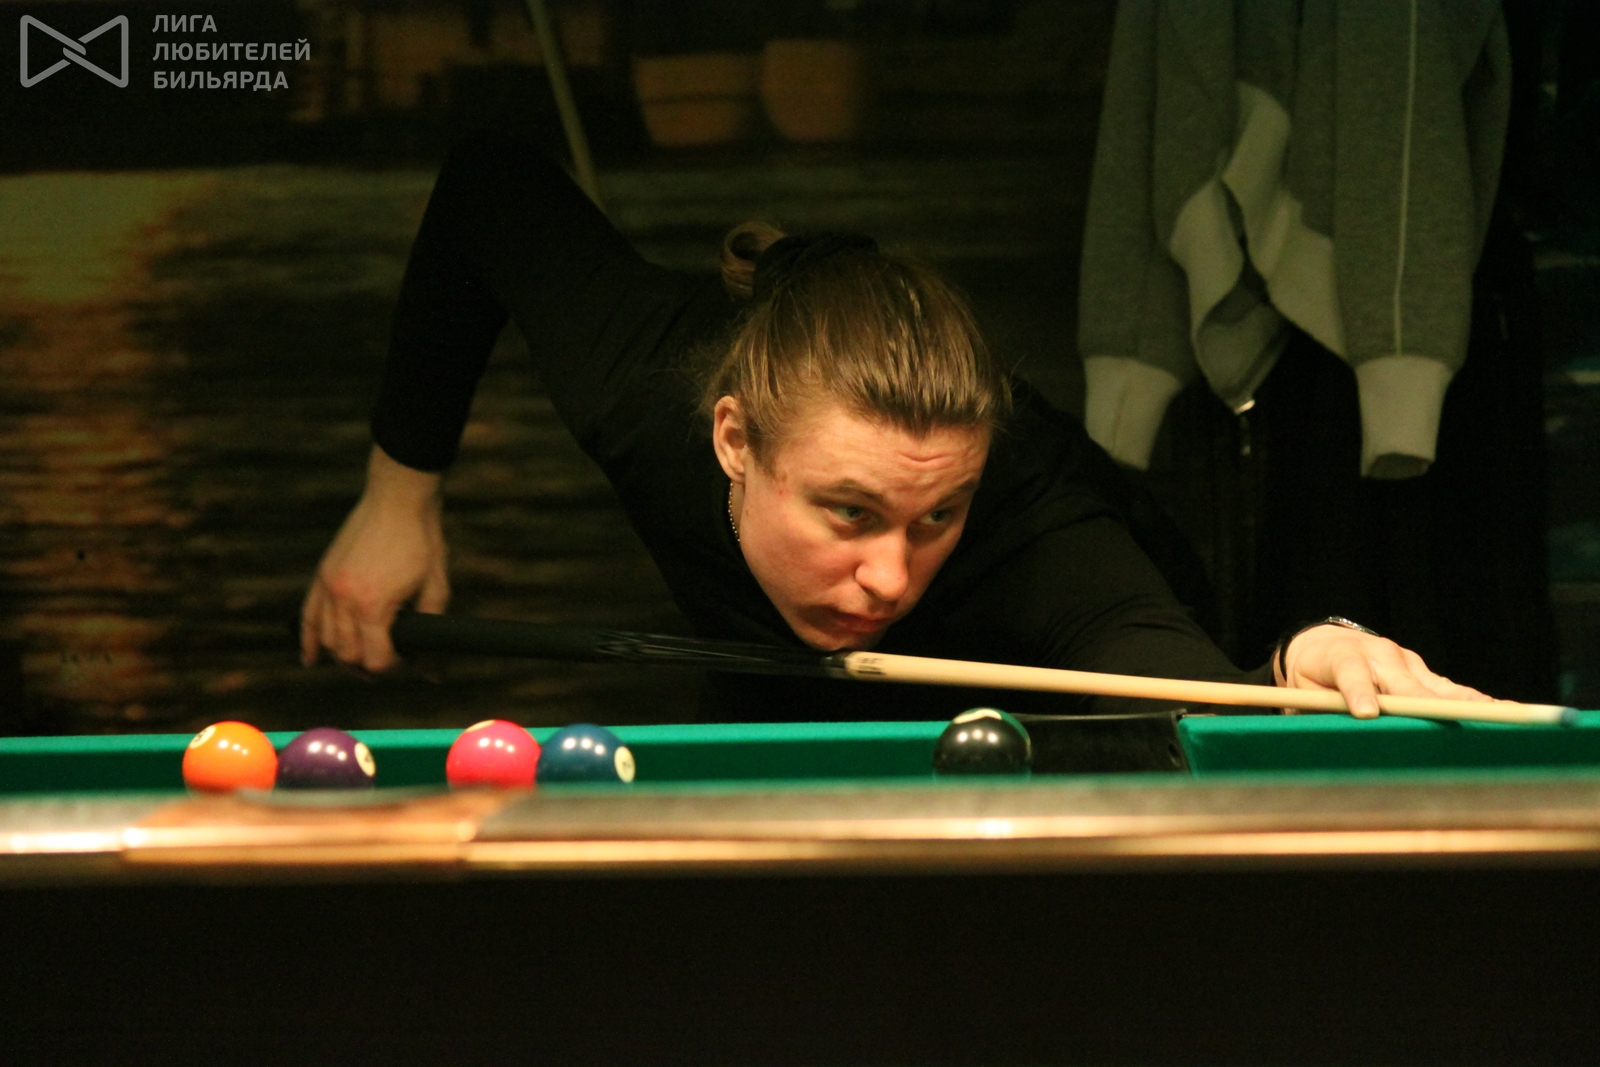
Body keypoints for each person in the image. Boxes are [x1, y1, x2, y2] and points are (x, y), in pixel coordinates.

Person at [299, 139, 1491, 723]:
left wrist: (1305, 655)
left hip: (1038, 707)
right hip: (762, 671)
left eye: (933, 517)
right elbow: (490, 189)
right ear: (732, 440)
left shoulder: (1032, 525)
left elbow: (1185, 680)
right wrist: (398, 498)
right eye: (849, 511)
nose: (887, 574)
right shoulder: (642, 384)